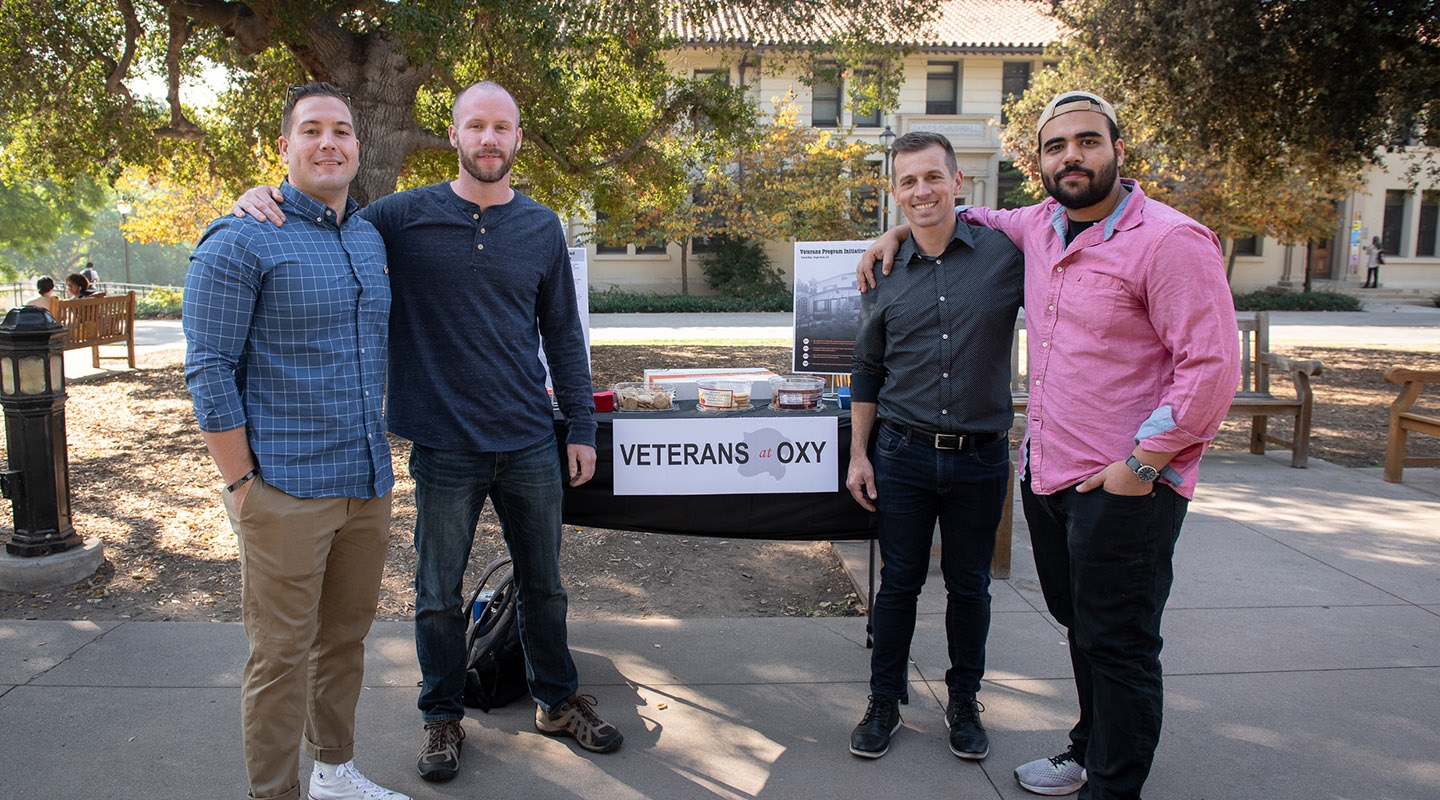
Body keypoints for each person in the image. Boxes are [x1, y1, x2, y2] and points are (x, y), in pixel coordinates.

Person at [233, 80, 619, 783]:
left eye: (503, 127)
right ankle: (442, 717)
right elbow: (327, 214)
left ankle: (557, 703)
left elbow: (563, 335)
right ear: (454, 134)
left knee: (546, 587)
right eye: (477, 126)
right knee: (437, 595)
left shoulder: (541, 227)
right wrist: (259, 195)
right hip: (443, 446)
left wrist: (581, 426)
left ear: (518, 139)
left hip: (530, 440)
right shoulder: (400, 218)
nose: (490, 139)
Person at [858, 91, 1240, 799]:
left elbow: (1212, 369)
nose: (1072, 156)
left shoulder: (1170, 239)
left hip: (1127, 481)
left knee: (1120, 642)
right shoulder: (1039, 226)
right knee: (1082, 628)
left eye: (1088, 142)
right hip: (1051, 475)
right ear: (1038, 162)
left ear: (1118, 151)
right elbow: (953, 214)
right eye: (1056, 145)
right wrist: (896, 234)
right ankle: (1088, 749)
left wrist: (1143, 465)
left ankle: (1112, 786)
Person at [184, 82, 407, 800]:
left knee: (342, 645)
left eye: (341, 130)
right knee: (280, 656)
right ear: (284, 147)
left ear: (358, 147)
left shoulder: (370, 235)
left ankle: (335, 772)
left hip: (365, 484)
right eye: (311, 130)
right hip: (282, 488)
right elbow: (208, 367)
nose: (329, 143)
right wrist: (241, 482)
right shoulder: (243, 236)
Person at [845, 131, 1023, 762]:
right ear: (896, 194)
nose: (921, 191)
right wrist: (859, 453)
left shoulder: (1007, 256)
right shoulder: (880, 270)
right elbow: (867, 367)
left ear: (958, 184)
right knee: (898, 586)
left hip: (980, 456)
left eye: (932, 178)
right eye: (907, 182)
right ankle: (884, 700)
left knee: (971, 586)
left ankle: (964, 700)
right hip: (903, 452)